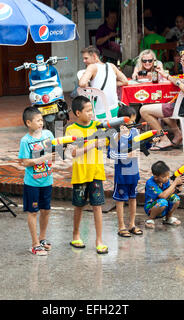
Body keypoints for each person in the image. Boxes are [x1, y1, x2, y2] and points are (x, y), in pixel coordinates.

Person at [140, 47, 184, 150]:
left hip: (181, 109)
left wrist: (178, 82)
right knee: (162, 105)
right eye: (183, 61)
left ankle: (163, 139)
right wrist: (166, 76)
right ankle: (178, 135)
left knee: (143, 110)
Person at [65, 96, 108, 254]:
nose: (91, 114)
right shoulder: (71, 130)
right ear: (78, 113)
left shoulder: (98, 126)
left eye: (92, 110)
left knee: (98, 206)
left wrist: (101, 142)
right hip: (81, 173)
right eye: (88, 111)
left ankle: (99, 240)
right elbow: (74, 153)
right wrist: (92, 144)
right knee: (79, 206)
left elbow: (104, 143)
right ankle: (76, 234)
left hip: (96, 172)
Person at [18, 107, 56, 256]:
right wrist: (42, 159)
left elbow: (54, 154)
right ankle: (34, 244)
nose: (41, 123)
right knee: (33, 211)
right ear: (28, 123)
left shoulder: (48, 134)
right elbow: (24, 162)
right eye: (38, 120)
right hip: (32, 183)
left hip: (47, 180)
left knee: (46, 210)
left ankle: (42, 239)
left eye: (42, 120)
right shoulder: (25, 141)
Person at [108, 106, 144, 237]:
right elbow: (111, 154)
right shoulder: (114, 135)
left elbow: (140, 146)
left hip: (134, 172)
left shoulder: (135, 132)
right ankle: (121, 225)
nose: (133, 124)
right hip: (121, 174)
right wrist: (125, 156)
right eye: (131, 121)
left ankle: (132, 224)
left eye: (134, 121)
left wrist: (150, 143)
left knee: (133, 198)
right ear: (122, 122)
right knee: (120, 199)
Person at [79, 46, 128, 121]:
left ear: (95, 56)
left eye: (86, 58)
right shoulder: (112, 66)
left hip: (99, 114)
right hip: (115, 111)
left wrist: (85, 77)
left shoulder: (92, 67)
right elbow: (125, 81)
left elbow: (82, 84)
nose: (84, 61)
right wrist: (110, 84)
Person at [144, 161, 184, 229]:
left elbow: (170, 193)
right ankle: (150, 219)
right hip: (151, 208)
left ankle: (168, 218)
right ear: (155, 177)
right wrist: (174, 183)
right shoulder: (150, 183)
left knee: (175, 198)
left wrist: (178, 188)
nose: (167, 178)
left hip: (164, 206)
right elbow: (163, 196)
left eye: (168, 175)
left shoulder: (165, 181)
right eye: (164, 176)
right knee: (163, 202)